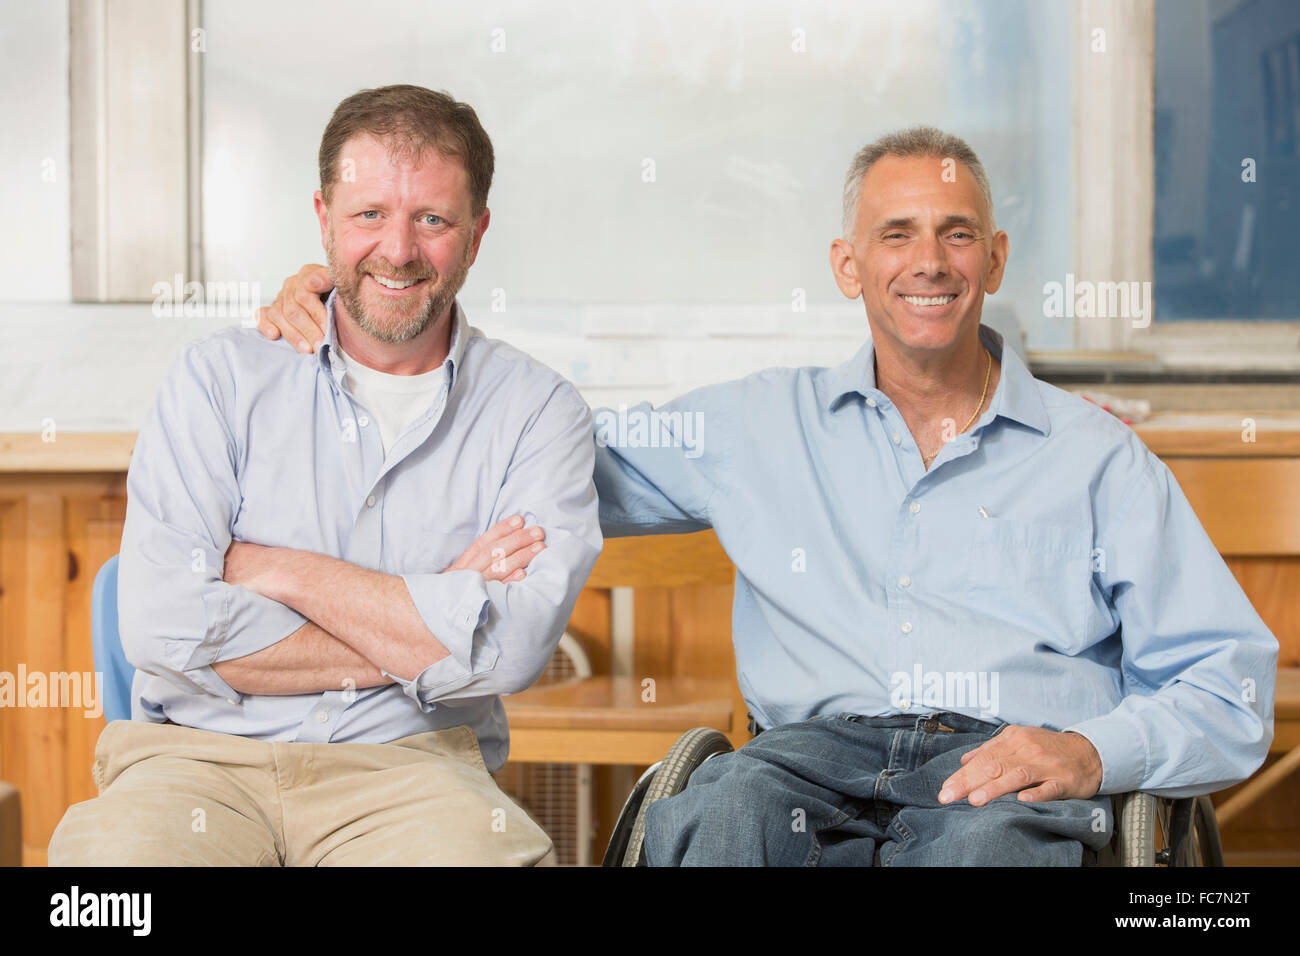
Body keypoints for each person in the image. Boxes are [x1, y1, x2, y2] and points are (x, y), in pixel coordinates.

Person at [256, 126, 1277, 866]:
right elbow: (531, 448)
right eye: (896, 234)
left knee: (985, 851)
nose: (928, 260)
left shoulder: (1097, 456)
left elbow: (1227, 690)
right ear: (847, 265)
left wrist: (1090, 747)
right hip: (802, 761)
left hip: (1003, 763)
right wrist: (367, 317)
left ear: (994, 259)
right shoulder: (751, 425)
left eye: (957, 234)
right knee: (720, 811)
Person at [48, 84, 601, 866]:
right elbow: (162, 627)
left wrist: (279, 570)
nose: (399, 249)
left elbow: (507, 652)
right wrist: (436, 613)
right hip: (194, 768)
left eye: (432, 220)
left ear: (476, 236)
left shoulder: (539, 410)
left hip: (412, 776)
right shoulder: (218, 381)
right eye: (369, 214)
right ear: (324, 219)